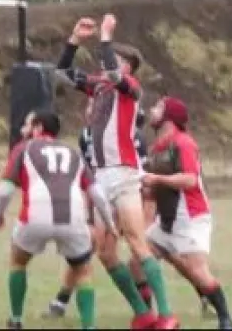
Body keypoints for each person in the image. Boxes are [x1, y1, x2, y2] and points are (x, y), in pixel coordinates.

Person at [56, 14, 176, 330]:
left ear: (128, 68)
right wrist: (74, 40)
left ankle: (166, 315)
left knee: (137, 241)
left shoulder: (131, 88)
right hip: (100, 176)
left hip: (123, 172)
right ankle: (142, 312)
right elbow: (65, 73)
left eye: (117, 60)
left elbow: (111, 70)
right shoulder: (99, 86)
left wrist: (106, 37)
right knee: (106, 252)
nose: (108, 63)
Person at [0, 109, 117, 330]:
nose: (23, 129)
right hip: (73, 219)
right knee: (83, 270)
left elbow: (3, 191)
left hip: (34, 218)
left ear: (38, 128)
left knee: (18, 262)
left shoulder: (24, 148)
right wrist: (110, 224)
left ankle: (16, 320)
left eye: (27, 124)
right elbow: (97, 193)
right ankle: (89, 326)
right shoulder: (74, 152)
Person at [45, 105, 150, 319]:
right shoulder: (86, 134)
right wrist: (88, 212)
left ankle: (147, 305)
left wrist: (145, 210)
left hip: (128, 195)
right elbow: (88, 176)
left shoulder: (131, 134)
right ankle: (61, 300)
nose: (90, 110)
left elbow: (143, 176)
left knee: (133, 249)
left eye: (97, 106)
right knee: (92, 247)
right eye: (89, 105)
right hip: (102, 199)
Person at [142, 96, 232, 330]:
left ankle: (226, 318)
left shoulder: (183, 142)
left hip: (190, 217)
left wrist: (157, 179)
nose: (152, 110)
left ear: (169, 117)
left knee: (198, 271)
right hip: (167, 219)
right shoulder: (155, 149)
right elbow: (153, 190)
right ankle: (148, 315)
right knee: (139, 256)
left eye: (158, 107)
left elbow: (190, 180)